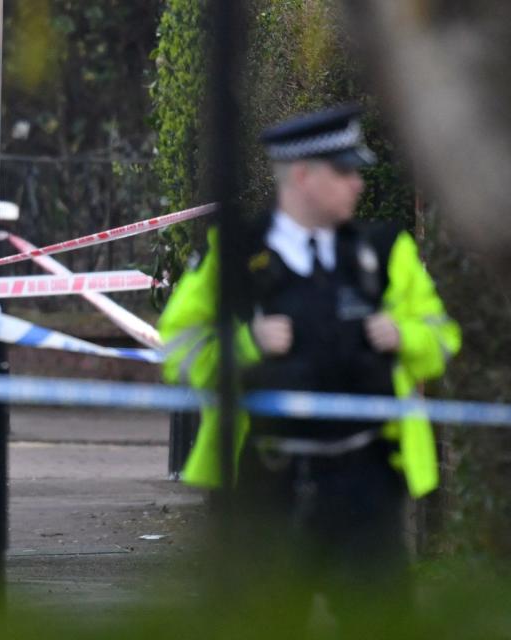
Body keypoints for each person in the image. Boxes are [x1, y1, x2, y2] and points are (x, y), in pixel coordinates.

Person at [158, 105, 461, 632]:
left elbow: (441, 339)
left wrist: (405, 335)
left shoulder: (386, 252)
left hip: (367, 482)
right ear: (301, 176)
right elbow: (179, 352)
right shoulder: (235, 258)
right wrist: (246, 342)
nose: (359, 184)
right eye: (344, 171)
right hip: (266, 485)